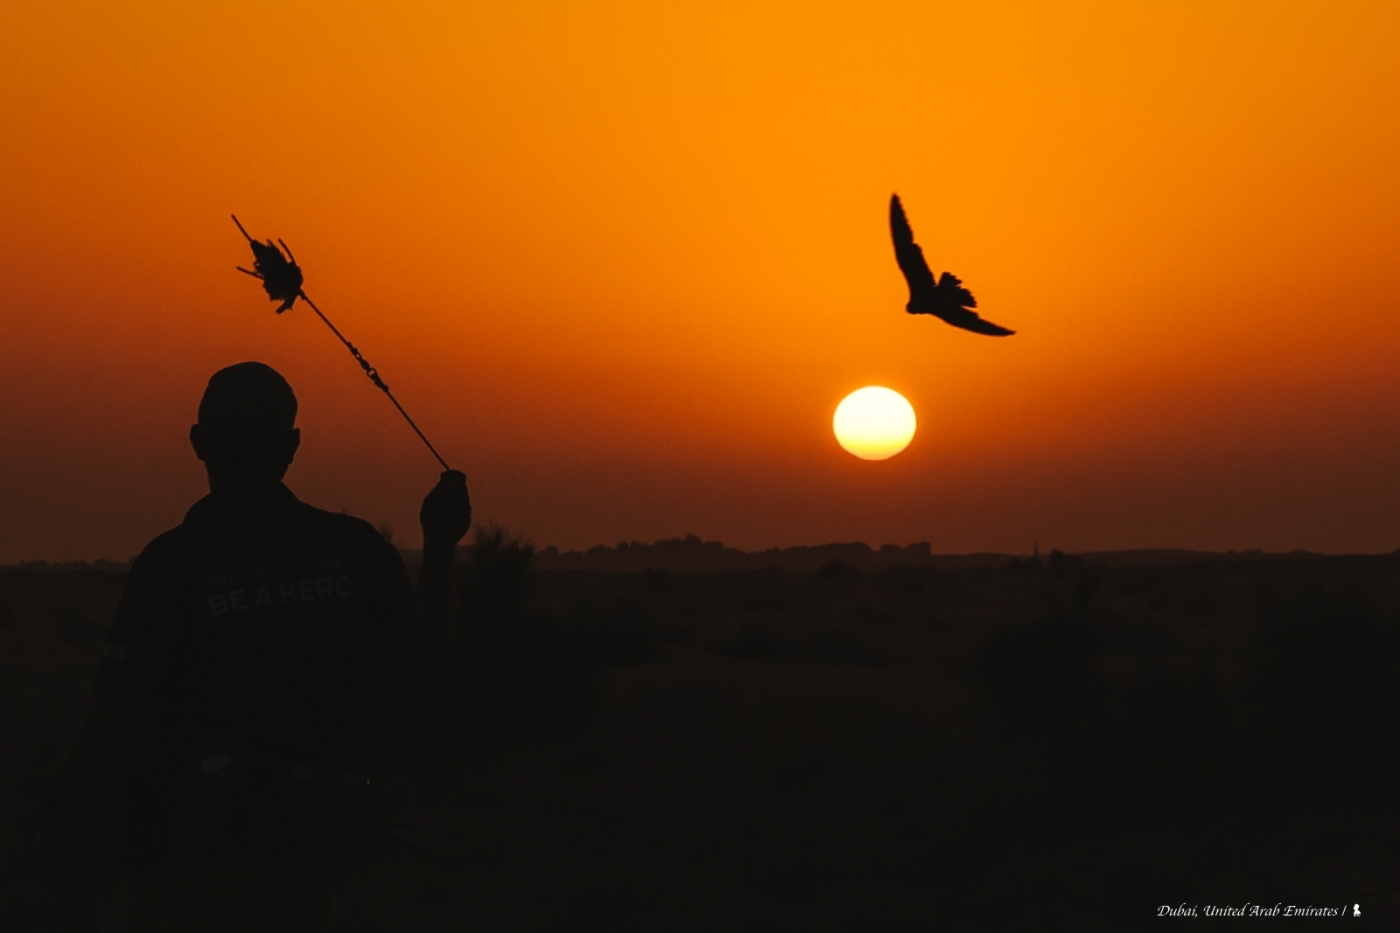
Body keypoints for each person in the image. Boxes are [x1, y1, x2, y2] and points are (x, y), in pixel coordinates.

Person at [34, 361, 471, 931]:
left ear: (198, 443)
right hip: (308, 856)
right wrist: (440, 543)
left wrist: (58, 799)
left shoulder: (171, 563)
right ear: (291, 447)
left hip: (192, 851)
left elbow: (123, 712)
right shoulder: (352, 549)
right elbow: (427, 652)